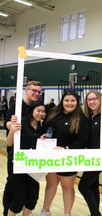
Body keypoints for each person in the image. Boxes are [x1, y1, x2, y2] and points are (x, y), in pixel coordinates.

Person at [40, 90, 90, 216]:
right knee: (51, 183)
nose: (69, 103)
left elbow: (83, 139)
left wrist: (66, 149)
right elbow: (45, 128)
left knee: (67, 187)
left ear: (77, 102)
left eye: (72, 100)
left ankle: (67, 213)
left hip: (69, 157)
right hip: (51, 156)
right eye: (66, 100)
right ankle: (45, 211)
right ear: (62, 101)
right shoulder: (53, 113)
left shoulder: (81, 118)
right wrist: (42, 136)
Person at [2, 80, 42, 216]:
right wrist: (12, 127)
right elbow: (7, 123)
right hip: (15, 152)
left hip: (31, 156)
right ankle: (7, 210)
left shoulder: (39, 113)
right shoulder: (16, 106)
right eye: (33, 91)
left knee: (30, 189)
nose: (36, 93)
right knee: (13, 186)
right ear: (26, 90)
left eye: (39, 92)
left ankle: (26, 209)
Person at [78, 90, 102, 216]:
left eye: (94, 99)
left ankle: (96, 214)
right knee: (93, 186)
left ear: (99, 100)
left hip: (100, 157)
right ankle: (94, 213)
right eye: (89, 99)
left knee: (82, 186)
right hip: (90, 156)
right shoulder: (88, 117)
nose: (92, 102)